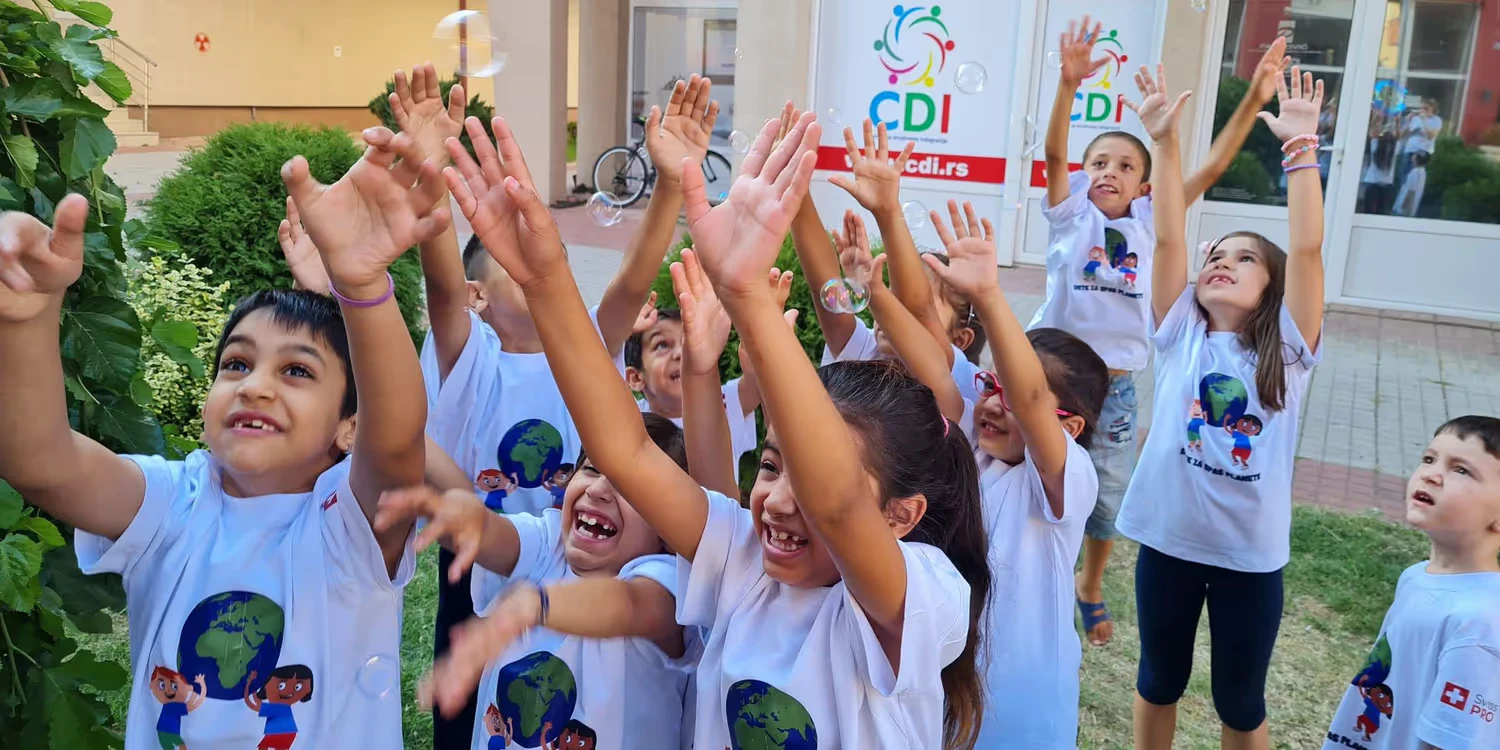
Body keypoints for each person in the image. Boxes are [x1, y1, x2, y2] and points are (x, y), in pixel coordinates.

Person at [443, 107, 990, 748]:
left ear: (900, 517)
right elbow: (623, 450)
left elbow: (839, 507)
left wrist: (748, 293)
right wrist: (544, 278)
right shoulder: (747, 565)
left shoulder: (923, 599)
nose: (779, 500)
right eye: (769, 466)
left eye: (806, 480)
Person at [0, 126, 447, 747]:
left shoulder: (348, 527)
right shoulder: (171, 503)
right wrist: (26, 319)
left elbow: (398, 440)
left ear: (351, 426)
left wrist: (362, 283)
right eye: (236, 363)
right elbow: (41, 463)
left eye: (296, 371)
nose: (254, 386)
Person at [1034, 20, 1290, 648]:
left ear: (1147, 186)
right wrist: (1068, 88)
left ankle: (1089, 584)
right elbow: (1053, 157)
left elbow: (1212, 165)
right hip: (1049, 378)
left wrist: (1254, 101)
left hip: (1116, 390)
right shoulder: (1071, 216)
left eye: (1125, 165)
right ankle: (1038, 576)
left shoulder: (1155, 219)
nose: (1108, 172)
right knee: (1035, 479)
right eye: (1099, 162)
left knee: (1107, 497)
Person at [1117, 62, 1327, 749]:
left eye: (1245, 260)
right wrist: (1166, 143)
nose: (1222, 262)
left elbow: (1307, 245)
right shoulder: (1180, 332)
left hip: (1249, 559)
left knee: (1240, 701)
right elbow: (1172, 234)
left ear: (1273, 290)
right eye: (1220, 253)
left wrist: (1299, 149)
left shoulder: (1289, 353)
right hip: (1170, 545)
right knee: (1158, 680)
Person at [844, 201, 1107, 747]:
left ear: (1072, 426)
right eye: (989, 384)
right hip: (948, 691)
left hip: (1020, 712)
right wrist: (875, 290)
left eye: (1009, 397)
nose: (992, 401)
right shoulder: (972, 444)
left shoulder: (1064, 484)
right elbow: (931, 359)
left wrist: (988, 298)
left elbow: (1032, 397)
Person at [374, 413, 693, 750]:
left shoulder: (667, 581)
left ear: (668, 530)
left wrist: (534, 605)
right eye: (591, 469)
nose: (599, 491)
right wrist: (470, 519)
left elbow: (630, 605)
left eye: (632, 486)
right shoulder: (550, 541)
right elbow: (501, 535)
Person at [782, 109, 988, 403]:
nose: (891, 307)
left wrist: (888, 212)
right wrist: (795, 187)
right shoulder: (865, 351)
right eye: (892, 292)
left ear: (960, 339)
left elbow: (919, 312)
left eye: (909, 298)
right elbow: (823, 283)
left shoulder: (959, 379)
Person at [1321, 416, 1500, 750]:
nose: (1430, 474)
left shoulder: (1480, 623)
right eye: (1429, 459)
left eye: (1461, 470)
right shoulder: (1416, 576)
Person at [1393, 150, 1428, 218]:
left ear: (1416, 159)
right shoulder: (1423, 171)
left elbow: (1411, 192)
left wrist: (1404, 206)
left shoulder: (1414, 172)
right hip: (1411, 209)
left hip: (1403, 210)